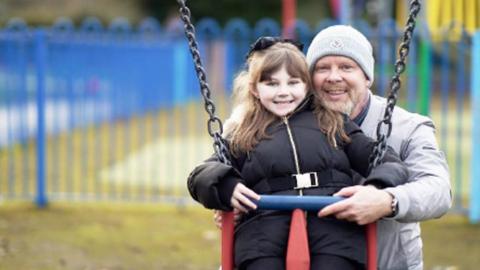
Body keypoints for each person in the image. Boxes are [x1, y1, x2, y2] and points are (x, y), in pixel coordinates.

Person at [188, 37, 409, 270]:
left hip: (334, 230)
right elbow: (201, 174)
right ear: (254, 88)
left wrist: (375, 189)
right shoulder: (243, 133)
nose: (283, 92)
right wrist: (226, 186)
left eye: (293, 82)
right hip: (262, 236)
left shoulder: (333, 123)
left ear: (307, 85)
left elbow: (386, 160)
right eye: (272, 84)